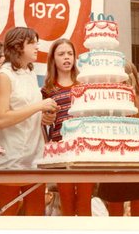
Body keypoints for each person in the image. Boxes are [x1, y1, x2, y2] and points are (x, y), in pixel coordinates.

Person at [0, 26, 58, 216]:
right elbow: (1, 118)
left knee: (36, 218)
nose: (37, 46)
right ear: (18, 46)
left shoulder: (29, 74)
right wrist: (38, 107)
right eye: (32, 43)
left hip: (35, 156)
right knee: (9, 216)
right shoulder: (4, 76)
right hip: (10, 158)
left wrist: (44, 117)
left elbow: (28, 112)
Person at [97, 60, 139, 216]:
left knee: (138, 214)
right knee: (115, 214)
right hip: (114, 164)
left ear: (132, 78)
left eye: (124, 79)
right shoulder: (108, 103)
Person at [41, 38, 94, 216]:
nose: (66, 58)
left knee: (85, 202)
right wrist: (47, 144)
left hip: (84, 150)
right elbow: (42, 124)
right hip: (61, 150)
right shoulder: (47, 90)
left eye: (70, 54)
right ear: (53, 59)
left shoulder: (84, 85)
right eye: (61, 54)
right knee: (66, 202)